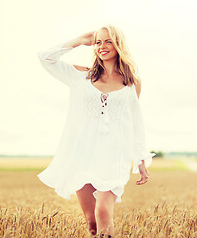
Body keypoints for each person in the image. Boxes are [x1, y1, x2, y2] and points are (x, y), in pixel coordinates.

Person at [36, 25, 156, 238]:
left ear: (118, 44)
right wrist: (78, 40)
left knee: (103, 210)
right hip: (82, 155)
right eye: (98, 42)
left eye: (108, 41)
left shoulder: (132, 83)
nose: (102, 46)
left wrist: (140, 159)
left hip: (114, 156)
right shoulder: (80, 77)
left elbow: (135, 122)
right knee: (92, 223)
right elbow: (45, 58)